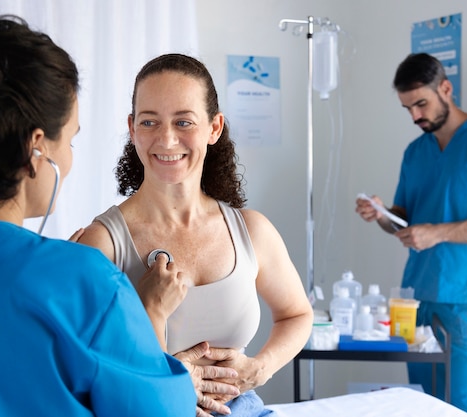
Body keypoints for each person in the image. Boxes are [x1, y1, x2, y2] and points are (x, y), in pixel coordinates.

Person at [0, 16, 198, 416]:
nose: (71, 157)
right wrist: (150, 313)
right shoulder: (83, 282)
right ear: (36, 149)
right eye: (71, 139)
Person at [77, 53, 313, 417]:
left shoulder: (251, 231)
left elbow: (297, 315)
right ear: (133, 128)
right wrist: (168, 382)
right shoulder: (102, 243)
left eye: (183, 121)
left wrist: (260, 368)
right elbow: (83, 364)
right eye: (150, 121)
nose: (167, 140)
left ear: (214, 128)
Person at [355, 53, 467, 417]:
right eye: (408, 108)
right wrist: (382, 214)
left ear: (446, 89)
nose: (416, 116)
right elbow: (404, 221)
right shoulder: (416, 152)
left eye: (421, 103)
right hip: (417, 297)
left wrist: (438, 233)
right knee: (422, 402)